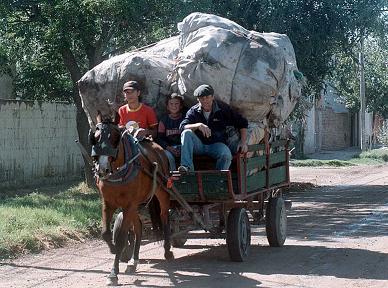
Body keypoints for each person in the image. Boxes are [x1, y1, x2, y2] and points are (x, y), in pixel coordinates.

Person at [178, 84, 248, 172]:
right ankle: (186, 168)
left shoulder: (222, 109)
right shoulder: (194, 111)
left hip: (216, 145)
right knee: (186, 133)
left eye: (207, 97)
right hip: (199, 145)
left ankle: (218, 179)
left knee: (226, 154)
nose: (205, 101)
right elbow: (182, 127)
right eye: (201, 98)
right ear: (198, 99)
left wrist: (243, 142)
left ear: (212, 97)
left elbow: (242, 123)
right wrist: (198, 125)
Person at [157, 93, 185, 171]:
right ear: (167, 106)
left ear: (181, 106)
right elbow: (160, 139)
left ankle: (186, 175)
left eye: (176, 104)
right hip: (169, 147)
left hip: (182, 147)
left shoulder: (185, 118)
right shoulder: (163, 120)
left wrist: (181, 148)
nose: (174, 106)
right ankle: (173, 175)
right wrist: (169, 148)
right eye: (171, 104)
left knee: (185, 154)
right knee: (169, 157)